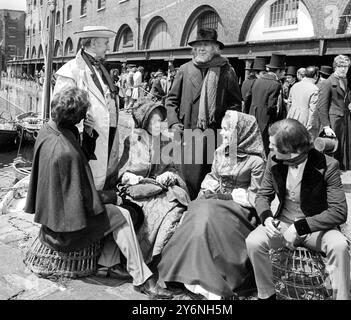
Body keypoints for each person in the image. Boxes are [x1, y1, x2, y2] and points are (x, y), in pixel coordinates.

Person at [24, 87, 173, 300]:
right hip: (65, 233)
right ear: (77, 117)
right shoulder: (66, 152)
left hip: (53, 217)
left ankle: (109, 265)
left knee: (118, 210)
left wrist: (88, 134)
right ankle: (143, 279)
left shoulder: (50, 130)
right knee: (123, 214)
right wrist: (114, 196)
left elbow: (76, 165)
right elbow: (85, 200)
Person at [158, 111, 266, 300]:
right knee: (197, 213)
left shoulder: (256, 161)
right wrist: (205, 193)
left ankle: (208, 284)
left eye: (227, 130)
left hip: (240, 209)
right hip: (214, 201)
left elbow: (256, 195)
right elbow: (213, 177)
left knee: (208, 219)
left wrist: (226, 196)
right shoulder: (221, 152)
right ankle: (185, 275)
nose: (222, 134)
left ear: (242, 133)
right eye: (223, 129)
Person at [246, 119, 350, 300]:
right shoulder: (273, 160)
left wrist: (300, 227)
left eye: (272, 145)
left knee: (339, 246)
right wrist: (267, 218)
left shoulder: (328, 165)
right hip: (282, 225)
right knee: (254, 242)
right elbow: (263, 196)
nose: (269, 148)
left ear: (289, 148)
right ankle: (267, 295)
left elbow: (339, 211)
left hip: (318, 229)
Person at [165, 28, 242, 199]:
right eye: (198, 45)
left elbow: (236, 104)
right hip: (188, 132)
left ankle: (202, 208)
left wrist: (228, 128)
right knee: (187, 176)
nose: (201, 48)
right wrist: (173, 122)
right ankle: (187, 208)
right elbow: (171, 100)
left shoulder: (226, 70)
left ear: (215, 48)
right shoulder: (184, 69)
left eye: (206, 45)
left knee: (210, 178)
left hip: (215, 134)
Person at [118, 97, 190, 266]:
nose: (159, 125)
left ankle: (163, 261)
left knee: (176, 209)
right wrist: (129, 177)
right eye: (154, 122)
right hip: (138, 192)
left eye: (160, 121)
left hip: (162, 190)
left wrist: (169, 175)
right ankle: (143, 259)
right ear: (144, 122)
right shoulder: (132, 140)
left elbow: (174, 168)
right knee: (144, 214)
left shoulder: (167, 142)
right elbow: (120, 170)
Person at [53, 26, 120, 190]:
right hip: (85, 141)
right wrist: (84, 129)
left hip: (104, 135)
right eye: (105, 43)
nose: (108, 47)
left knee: (100, 179)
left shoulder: (99, 69)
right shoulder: (71, 70)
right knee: (84, 184)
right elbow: (60, 110)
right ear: (95, 43)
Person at [318, 54, 351, 171]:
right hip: (333, 122)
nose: (344, 69)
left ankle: (335, 179)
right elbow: (322, 107)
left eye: (346, 66)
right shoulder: (327, 83)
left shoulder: (344, 80)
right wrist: (326, 126)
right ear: (335, 67)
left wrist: (350, 105)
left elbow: (344, 100)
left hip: (344, 121)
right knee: (331, 152)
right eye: (341, 66)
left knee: (341, 152)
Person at [249, 53, 287, 156]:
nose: (284, 73)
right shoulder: (275, 84)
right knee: (265, 146)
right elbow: (272, 106)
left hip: (254, 115)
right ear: (278, 71)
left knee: (253, 143)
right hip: (266, 119)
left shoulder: (257, 80)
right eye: (283, 71)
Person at [287, 66, 320, 139]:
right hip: (306, 119)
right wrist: (311, 125)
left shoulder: (295, 86)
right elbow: (313, 110)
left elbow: (289, 103)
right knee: (306, 144)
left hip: (292, 117)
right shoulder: (314, 89)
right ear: (315, 76)